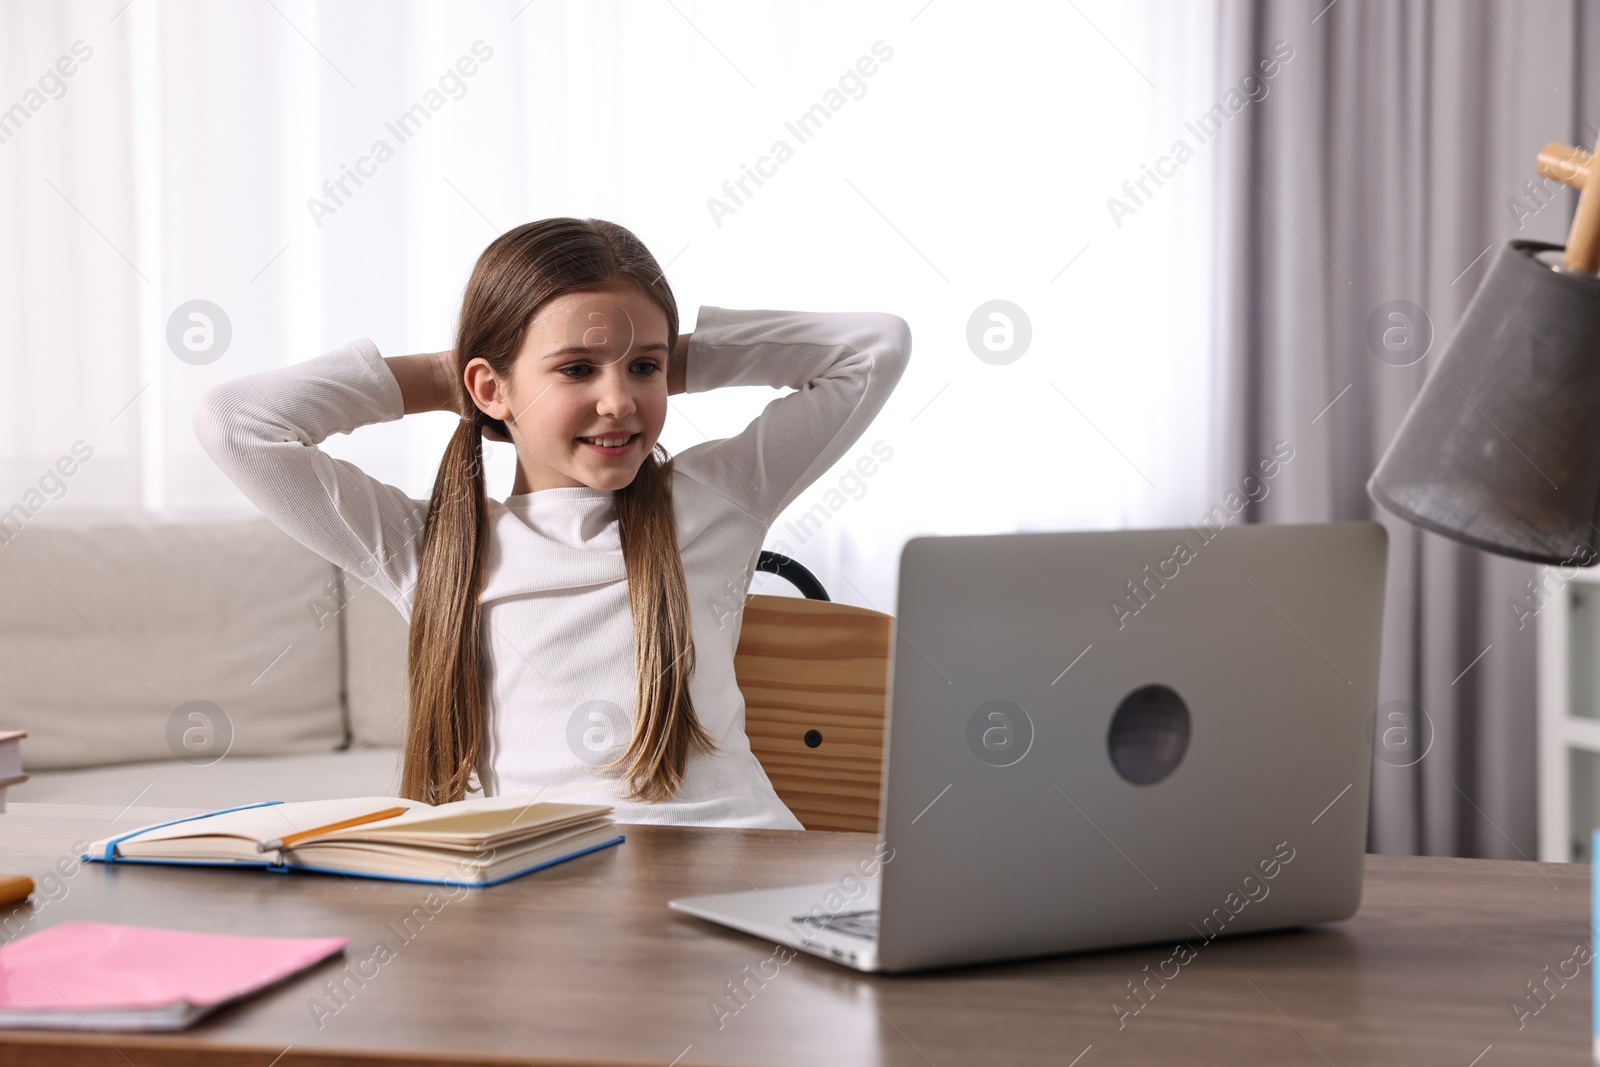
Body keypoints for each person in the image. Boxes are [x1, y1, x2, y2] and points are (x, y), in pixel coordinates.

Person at [193, 217, 912, 829]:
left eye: (642, 369)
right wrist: (451, 381)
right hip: (548, 892)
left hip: (739, 867)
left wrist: (672, 356)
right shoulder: (430, 547)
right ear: (490, 385)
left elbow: (875, 346)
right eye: (576, 369)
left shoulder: (714, 497)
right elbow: (236, 425)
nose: (618, 401)